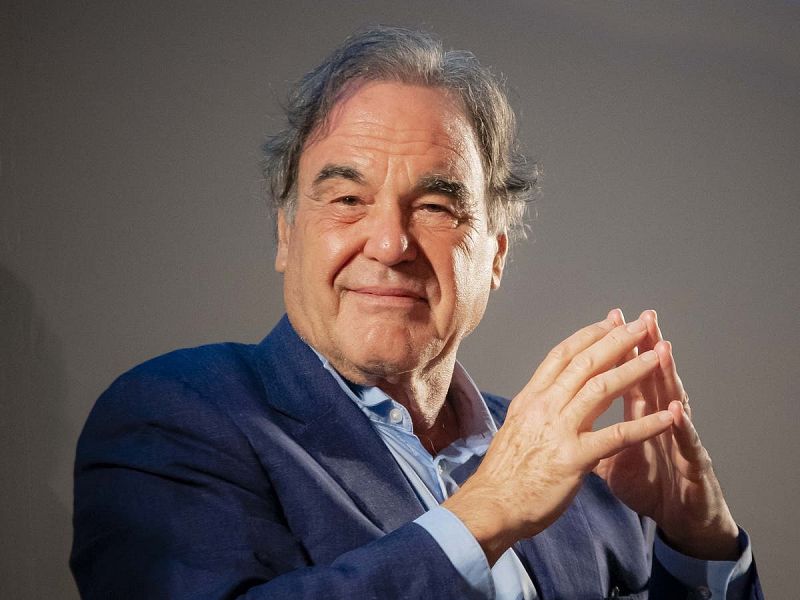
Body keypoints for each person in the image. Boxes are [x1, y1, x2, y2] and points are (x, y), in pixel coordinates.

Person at [70, 26, 762, 599]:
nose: (390, 243)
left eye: (434, 206)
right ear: (286, 234)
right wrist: (486, 513)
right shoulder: (172, 417)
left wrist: (698, 547)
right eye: (347, 200)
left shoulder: (573, 463)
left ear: (495, 254)